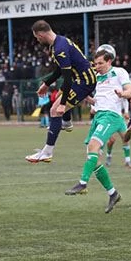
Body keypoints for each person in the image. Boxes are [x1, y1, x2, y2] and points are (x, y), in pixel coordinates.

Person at [64, 45, 131, 213]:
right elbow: (96, 99)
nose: (97, 66)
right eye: (95, 63)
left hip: (111, 116)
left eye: (100, 63)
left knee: (93, 146)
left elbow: (130, 92)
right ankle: (113, 193)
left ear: (109, 61)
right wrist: (86, 97)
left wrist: (121, 94)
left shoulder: (119, 72)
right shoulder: (95, 76)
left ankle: (82, 183)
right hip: (99, 116)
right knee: (93, 157)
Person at [25, 20, 97, 163]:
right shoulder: (60, 42)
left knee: (55, 110)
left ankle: (47, 152)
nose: (37, 39)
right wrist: (46, 84)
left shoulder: (59, 49)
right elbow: (60, 69)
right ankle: (66, 123)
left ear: (40, 34)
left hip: (83, 81)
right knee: (58, 98)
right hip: (79, 78)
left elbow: (68, 78)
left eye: (36, 37)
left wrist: (63, 105)